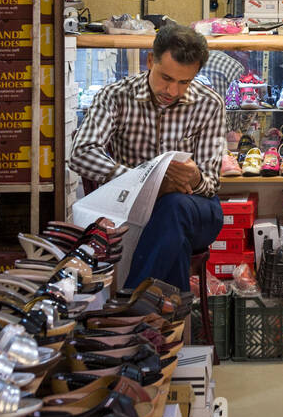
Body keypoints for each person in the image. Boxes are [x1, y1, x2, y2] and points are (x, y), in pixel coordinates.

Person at [68, 24, 226, 292]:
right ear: (150, 60)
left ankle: (130, 299)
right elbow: (81, 153)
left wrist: (195, 177)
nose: (173, 91)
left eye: (184, 82)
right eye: (166, 78)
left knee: (174, 205)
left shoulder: (209, 104)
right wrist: (140, 181)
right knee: (174, 237)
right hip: (131, 208)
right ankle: (162, 319)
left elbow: (211, 184)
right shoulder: (116, 96)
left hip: (196, 209)